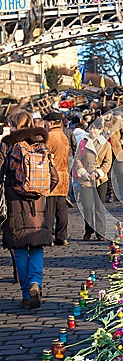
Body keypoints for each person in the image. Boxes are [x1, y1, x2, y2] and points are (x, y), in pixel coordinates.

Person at [0, 111, 55, 309]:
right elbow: (54, 177)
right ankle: (35, 283)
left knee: (21, 248)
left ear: (15, 126)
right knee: (37, 246)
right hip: (39, 205)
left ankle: (26, 295)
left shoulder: (8, 145)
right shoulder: (41, 144)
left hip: (15, 204)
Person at [73, 118, 112, 241]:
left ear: (100, 130)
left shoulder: (105, 144)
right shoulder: (84, 142)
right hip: (86, 179)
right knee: (87, 206)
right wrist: (83, 172)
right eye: (91, 128)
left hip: (100, 179)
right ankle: (88, 230)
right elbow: (78, 158)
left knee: (99, 207)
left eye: (95, 128)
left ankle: (100, 232)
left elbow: (108, 162)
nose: (92, 131)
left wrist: (98, 172)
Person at [43, 112, 70, 245]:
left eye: (46, 123)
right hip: (64, 176)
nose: (45, 125)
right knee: (61, 209)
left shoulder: (50, 136)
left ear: (51, 123)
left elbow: (44, 156)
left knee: (49, 209)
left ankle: (48, 237)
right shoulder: (64, 136)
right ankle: (62, 236)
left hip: (53, 176)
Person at [102, 106, 123, 201]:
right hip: (105, 152)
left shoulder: (117, 121)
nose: (106, 116)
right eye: (105, 115)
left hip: (117, 150)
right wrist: (101, 124)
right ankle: (112, 194)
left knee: (121, 173)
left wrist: (122, 140)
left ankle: (122, 192)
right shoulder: (100, 124)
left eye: (108, 114)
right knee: (109, 175)